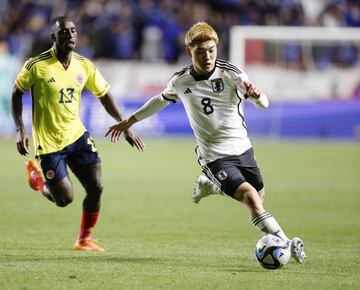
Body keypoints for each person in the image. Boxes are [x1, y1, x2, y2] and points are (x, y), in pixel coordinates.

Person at [105, 21, 306, 263]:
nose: (208, 56)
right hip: (213, 155)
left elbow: (264, 104)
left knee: (259, 199)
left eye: (211, 50)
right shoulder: (180, 81)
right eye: (201, 52)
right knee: (251, 198)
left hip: (243, 149)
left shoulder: (231, 73)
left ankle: (209, 185)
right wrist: (130, 121)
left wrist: (258, 95)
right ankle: (286, 243)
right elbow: (159, 101)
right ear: (190, 52)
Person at [11, 16, 145, 252]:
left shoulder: (84, 65)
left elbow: (104, 95)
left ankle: (84, 239)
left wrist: (125, 124)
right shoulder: (36, 65)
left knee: (96, 187)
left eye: (73, 31)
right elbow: (16, 92)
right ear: (53, 37)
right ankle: (38, 181)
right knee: (64, 199)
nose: (70, 35)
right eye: (64, 32)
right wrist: (21, 129)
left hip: (77, 136)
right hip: (50, 144)